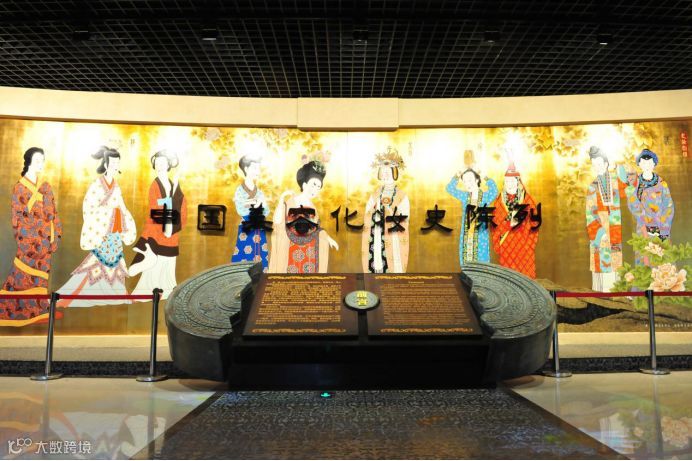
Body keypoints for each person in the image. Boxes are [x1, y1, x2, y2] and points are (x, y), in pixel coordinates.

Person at [57, 147, 136, 307]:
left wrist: (124, 217)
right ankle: (92, 294)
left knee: (115, 262)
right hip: (102, 231)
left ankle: (115, 294)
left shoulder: (116, 187)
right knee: (99, 262)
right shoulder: (97, 185)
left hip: (115, 231)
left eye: (117, 163)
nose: (115, 166)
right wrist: (111, 212)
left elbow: (122, 207)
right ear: (105, 164)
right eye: (112, 163)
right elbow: (89, 208)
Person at [0, 147, 63, 326]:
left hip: (46, 239)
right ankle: (11, 310)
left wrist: (56, 233)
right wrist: (31, 238)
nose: (40, 164)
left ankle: (39, 308)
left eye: (42, 160)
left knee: (42, 275)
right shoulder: (20, 187)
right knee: (22, 275)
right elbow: (18, 218)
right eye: (37, 160)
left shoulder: (45, 186)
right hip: (29, 240)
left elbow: (53, 212)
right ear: (28, 162)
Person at [129, 150, 187, 300]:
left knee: (168, 261)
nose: (160, 166)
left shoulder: (172, 183)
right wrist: (169, 201)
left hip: (171, 226)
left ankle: (167, 290)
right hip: (157, 225)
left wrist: (175, 190)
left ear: (168, 165)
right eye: (157, 163)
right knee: (155, 259)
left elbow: (180, 201)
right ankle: (148, 289)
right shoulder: (155, 185)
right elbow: (155, 203)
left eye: (163, 163)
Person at [268, 160, 338, 273]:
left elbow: (317, 229)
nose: (315, 189)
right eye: (313, 185)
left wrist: (328, 238)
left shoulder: (313, 207)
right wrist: (281, 199)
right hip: (290, 248)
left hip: (309, 252)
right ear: (304, 184)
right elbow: (277, 222)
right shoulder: (291, 202)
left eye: (318, 187)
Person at [585, 145, 629, 292]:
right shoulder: (592, 187)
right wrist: (600, 233)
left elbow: (627, 181)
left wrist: (617, 165)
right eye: (594, 165)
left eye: (599, 163)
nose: (597, 167)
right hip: (600, 232)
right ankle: (602, 296)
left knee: (616, 262)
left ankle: (618, 294)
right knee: (601, 263)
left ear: (605, 163)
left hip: (615, 227)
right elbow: (590, 213)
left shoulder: (615, 181)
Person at [361, 147, 410, 273]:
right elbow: (367, 213)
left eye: (388, 172)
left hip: (393, 237)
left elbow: (405, 218)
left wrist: (390, 213)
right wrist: (376, 210)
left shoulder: (401, 195)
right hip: (377, 234)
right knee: (377, 260)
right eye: (383, 172)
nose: (385, 175)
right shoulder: (375, 194)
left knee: (394, 265)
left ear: (395, 173)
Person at [624, 149, 674, 266]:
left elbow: (669, 205)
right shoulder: (636, 183)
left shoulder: (661, 183)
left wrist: (663, 224)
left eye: (649, 162)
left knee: (662, 260)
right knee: (644, 259)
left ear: (654, 164)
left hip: (661, 226)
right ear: (639, 164)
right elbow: (633, 204)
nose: (646, 165)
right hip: (643, 227)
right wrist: (645, 219)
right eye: (643, 162)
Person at [446, 158, 498, 266]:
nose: (467, 184)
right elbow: (450, 188)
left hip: (480, 237)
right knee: (466, 265)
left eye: (470, 180)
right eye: (464, 181)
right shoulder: (465, 196)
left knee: (482, 265)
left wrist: (482, 174)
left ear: (477, 180)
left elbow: (494, 189)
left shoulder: (485, 196)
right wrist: (458, 173)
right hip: (466, 237)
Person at [491, 162, 539, 278]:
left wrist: (530, 244)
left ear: (518, 182)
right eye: (507, 181)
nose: (510, 184)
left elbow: (535, 222)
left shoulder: (527, 200)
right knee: (509, 278)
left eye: (512, 181)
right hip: (506, 245)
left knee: (525, 277)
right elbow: (494, 224)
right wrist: (499, 242)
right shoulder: (499, 201)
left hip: (524, 245)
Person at [231, 154, 270, 271]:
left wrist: (255, 204)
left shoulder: (259, 192)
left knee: (260, 253)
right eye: (254, 168)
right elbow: (241, 209)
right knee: (244, 252)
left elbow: (266, 211)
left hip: (259, 226)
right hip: (246, 225)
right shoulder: (240, 190)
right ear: (246, 169)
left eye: (258, 168)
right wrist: (257, 204)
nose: (257, 171)